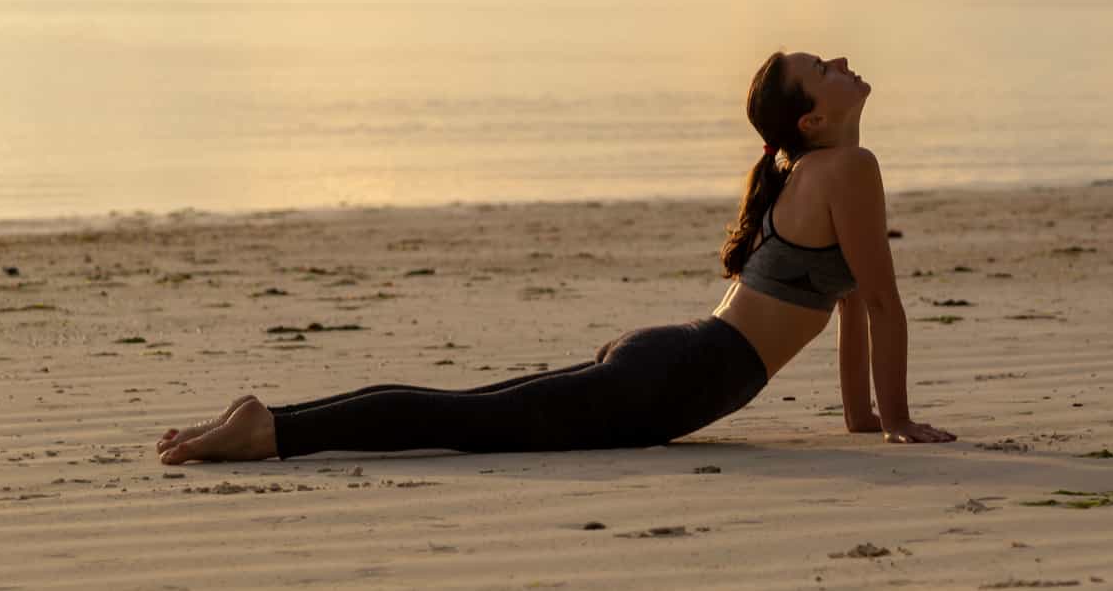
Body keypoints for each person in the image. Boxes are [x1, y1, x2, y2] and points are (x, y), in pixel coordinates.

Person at [154, 51, 956, 463]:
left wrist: (869, 419)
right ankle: (273, 432)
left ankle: (275, 422)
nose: (842, 61)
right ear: (812, 120)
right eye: (822, 69)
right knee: (469, 419)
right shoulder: (847, 170)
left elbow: (852, 304)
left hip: (680, 357)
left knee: (471, 408)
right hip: (686, 373)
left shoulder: (814, 172)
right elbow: (880, 303)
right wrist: (900, 424)